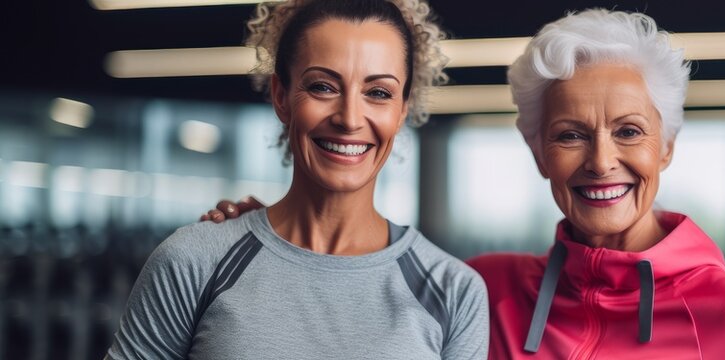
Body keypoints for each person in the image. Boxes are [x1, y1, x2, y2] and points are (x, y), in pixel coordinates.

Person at [203, 8, 725, 359]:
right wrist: (275, 237)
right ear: (539, 151)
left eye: (628, 132)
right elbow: (344, 303)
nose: (602, 161)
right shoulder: (483, 288)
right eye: (571, 134)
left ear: (666, 146)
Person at [106, 0, 487, 359]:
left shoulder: (454, 290)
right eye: (323, 86)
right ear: (281, 96)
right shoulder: (195, 259)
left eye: (378, 92)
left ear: (402, 111)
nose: (350, 118)